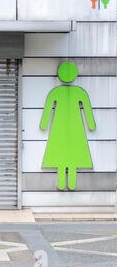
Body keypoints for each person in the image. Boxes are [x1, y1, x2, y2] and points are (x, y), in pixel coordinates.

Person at [40, 62, 95, 190]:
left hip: (60, 126)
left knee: (62, 156)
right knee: (71, 158)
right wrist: (91, 125)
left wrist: (44, 124)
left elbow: (48, 109)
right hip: (74, 126)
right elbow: (87, 110)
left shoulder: (57, 91)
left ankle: (66, 184)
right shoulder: (78, 91)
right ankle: (70, 184)